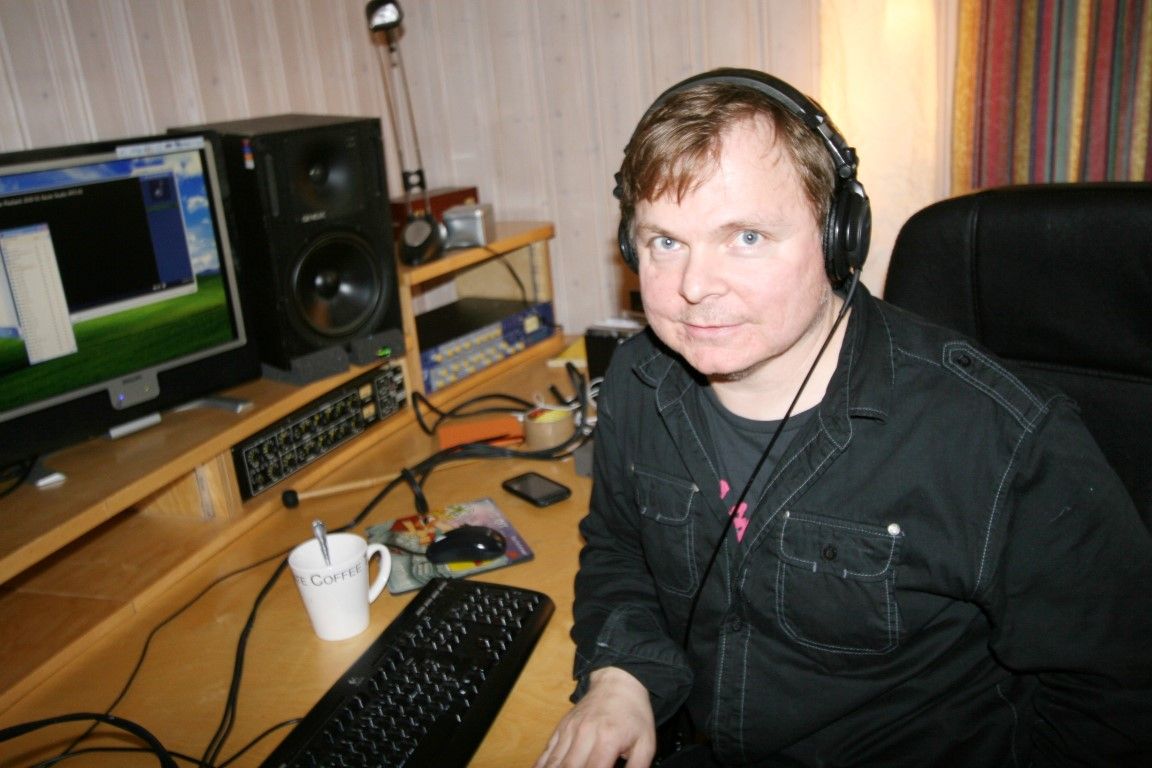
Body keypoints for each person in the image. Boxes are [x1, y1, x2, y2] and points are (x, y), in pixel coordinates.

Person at [534, 68, 1152, 768]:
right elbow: (620, 550)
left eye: (746, 237)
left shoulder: (998, 438)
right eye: (665, 243)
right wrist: (620, 676)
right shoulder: (635, 385)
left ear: (839, 238)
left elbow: (1119, 696)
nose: (694, 287)